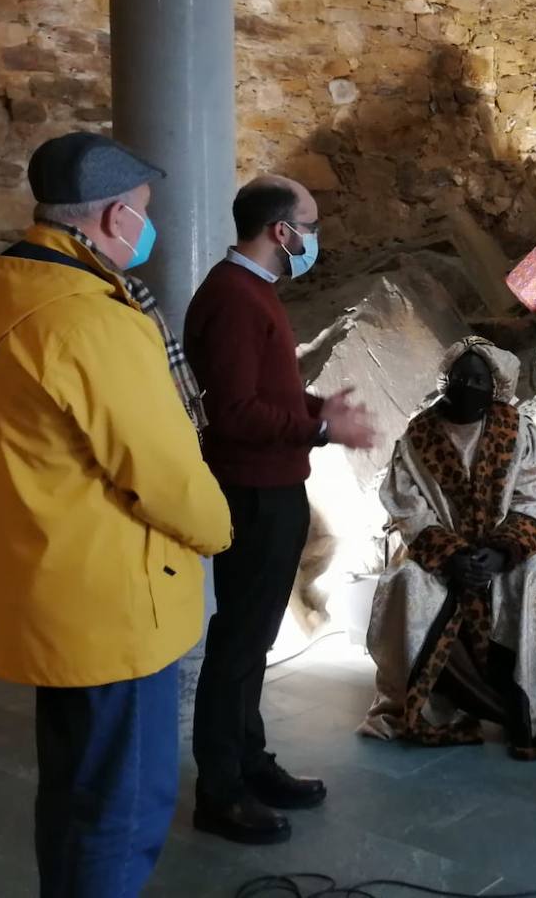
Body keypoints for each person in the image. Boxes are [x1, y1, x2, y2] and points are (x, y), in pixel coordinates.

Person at [0, 131, 233, 896]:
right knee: (123, 810)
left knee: (76, 795)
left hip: (61, 594)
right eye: (143, 209)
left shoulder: (18, 295)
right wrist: (221, 528)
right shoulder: (89, 321)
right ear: (115, 217)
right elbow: (162, 469)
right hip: (116, 610)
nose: (148, 224)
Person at [185, 175, 376, 845]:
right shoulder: (233, 297)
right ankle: (220, 791)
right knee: (238, 646)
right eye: (311, 225)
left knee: (251, 642)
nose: (316, 238)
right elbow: (235, 413)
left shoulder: (254, 289)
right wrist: (320, 429)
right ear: (281, 232)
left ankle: (250, 762)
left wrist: (318, 408)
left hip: (274, 487)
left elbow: (268, 390)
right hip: (252, 493)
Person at [360, 337, 536, 758]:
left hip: (507, 550)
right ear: (446, 379)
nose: (467, 386)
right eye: (460, 377)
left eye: (477, 379)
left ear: (495, 386)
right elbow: (407, 505)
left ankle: (535, 706)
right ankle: (428, 707)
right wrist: (451, 554)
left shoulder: (519, 430)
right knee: (408, 582)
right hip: (440, 550)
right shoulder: (419, 435)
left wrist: (503, 551)